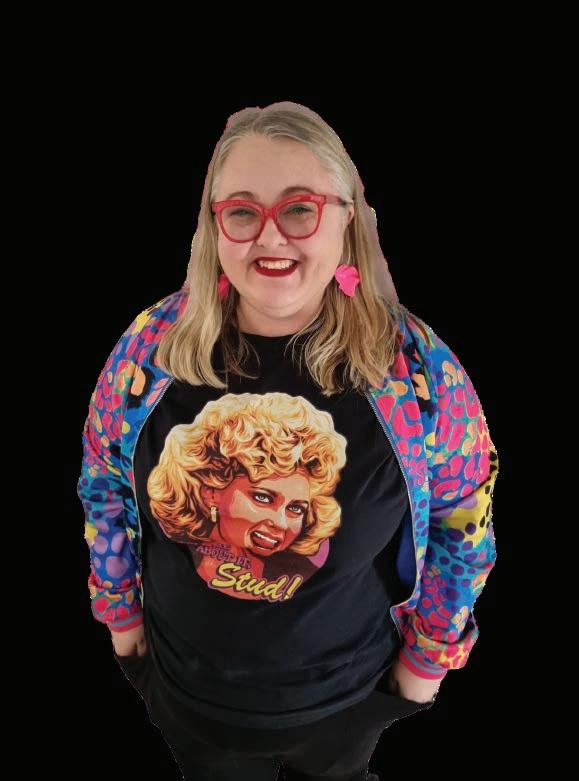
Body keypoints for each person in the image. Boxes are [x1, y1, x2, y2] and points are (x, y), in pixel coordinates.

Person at [77, 102, 499, 781]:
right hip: (185, 694)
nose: (269, 236)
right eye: (241, 212)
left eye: (299, 208)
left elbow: (463, 520)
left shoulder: (418, 372)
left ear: (347, 217)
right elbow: (102, 477)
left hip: (348, 703)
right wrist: (122, 625)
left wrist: (424, 669)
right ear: (213, 226)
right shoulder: (149, 349)